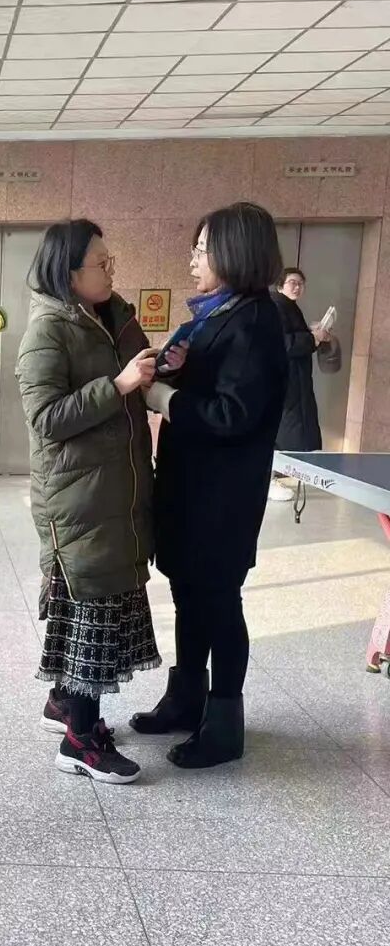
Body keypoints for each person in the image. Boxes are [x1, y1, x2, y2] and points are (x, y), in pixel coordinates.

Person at [17, 219, 178, 785]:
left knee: (101, 611)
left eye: (112, 262)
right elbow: (46, 418)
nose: (110, 271)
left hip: (117, 490)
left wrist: (159, 372)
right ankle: (79, 741)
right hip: (78, 500)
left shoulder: (118, 317)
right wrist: (118, 385)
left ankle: (64, 704)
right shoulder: (47, 331)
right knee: (92, 616)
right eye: (100, 264)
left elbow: (138, 382)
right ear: (68, 274)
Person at [139, 202, 287, 769]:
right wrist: (178, 369)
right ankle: (186, 699)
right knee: (188, 594)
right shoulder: (217, 314)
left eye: (202, 250)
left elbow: (232, 414)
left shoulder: (255, 321)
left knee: (219, 602)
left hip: (222, 498)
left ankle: (224, 724)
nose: (193, 259)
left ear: (235, 252)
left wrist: (166, 398)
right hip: (192, 487)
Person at [268, 267, 330, 501]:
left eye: (301, 283)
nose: (297, 287)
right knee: (284, 432)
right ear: (280, 285)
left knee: (292, 430)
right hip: (286, 383)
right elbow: (281, 344)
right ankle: (269, 481)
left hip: (296, 383)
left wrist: (314, 335)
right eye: (292, 282)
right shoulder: (277, 305)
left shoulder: (289, 307)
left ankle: (274, 479)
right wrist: (312, 338)